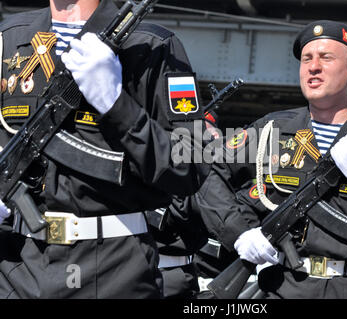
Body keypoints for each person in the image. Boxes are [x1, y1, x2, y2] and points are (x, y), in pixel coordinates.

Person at [199, 20, 347, 299]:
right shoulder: (271, 129)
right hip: (284, 286)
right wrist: (238, 232)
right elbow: (207, 167)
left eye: (326, 58)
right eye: (306, 59)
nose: (313, 67)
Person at [0, 0, 209, 298]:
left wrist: (116, 104)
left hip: (113, 266)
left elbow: (189, 167)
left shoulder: (151, 46)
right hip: (17, 265)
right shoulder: (9, 39)